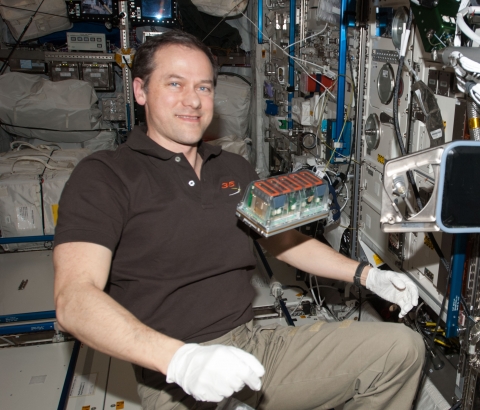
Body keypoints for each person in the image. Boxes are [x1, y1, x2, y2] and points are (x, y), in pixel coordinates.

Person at [53, 30, 425, 410]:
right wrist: (180, 361)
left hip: (252, 346)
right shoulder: (105, 176)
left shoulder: (233, 168)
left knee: (402, 350)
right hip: (173, 374)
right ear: (140, 91)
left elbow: (284, 242)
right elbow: (74, 299)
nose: (192, 100)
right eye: (175, 83)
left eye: (203, 87)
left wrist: (368, 276)